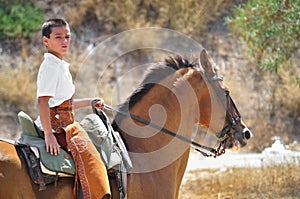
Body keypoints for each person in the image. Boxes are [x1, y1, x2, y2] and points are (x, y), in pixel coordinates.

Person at [35, 18, 111, 199]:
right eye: (58, 37)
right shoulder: (51, 67)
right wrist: (48, 135)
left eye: (67, 36)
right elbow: (42, 102)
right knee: (94, 162)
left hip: (67, 123)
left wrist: (91, 102)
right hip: (58, 128)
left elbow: (65, 105)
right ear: (46, 41)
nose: (64, 41)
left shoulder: (60, 65)